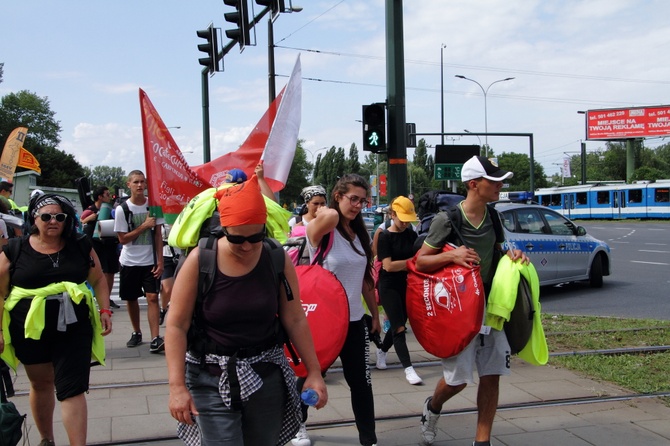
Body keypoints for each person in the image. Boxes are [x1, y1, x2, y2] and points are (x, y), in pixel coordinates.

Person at [165, 175, 327, 446]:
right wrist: (176, 386)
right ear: (222, 228)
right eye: (237, 238)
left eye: (256, 236)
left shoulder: (275, 257)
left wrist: (314, 372)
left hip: (266, 373)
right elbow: (176, 325)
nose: (248, 246)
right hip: (210, 377)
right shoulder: (201, 260)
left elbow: (295, 318)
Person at [415, 156, 529, 446]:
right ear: (473, 184)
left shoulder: (494, 216)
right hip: (458, 310)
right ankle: (433, 407)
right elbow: (420, 262)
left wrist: (511, 255)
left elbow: (498, 251)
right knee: (458, 380)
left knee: (492, 375)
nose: (500, 185)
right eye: (494, 181)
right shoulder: (447, 219)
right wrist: (452, 255)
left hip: (491, 307)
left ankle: (482, 441)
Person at [0, 193, 113, 446]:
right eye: (46, 216)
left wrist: (105, 310)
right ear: (34, 218)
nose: (53, 221)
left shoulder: (81, 245)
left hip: (74, 326)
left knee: (72, 388)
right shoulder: (16, 249)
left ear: (67, 220)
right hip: (29, 329)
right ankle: (46, 439)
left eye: (59, 217)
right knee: (41, 383)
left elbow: (98, 280)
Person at [297, 173, 379, 446]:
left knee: (362, 385)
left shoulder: (359, 236)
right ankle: (298, 425)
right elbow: (328, 218)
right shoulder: (325, 229)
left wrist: (376, 315)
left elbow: (365, 278)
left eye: (362, 201)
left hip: (354, 322)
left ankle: (369, 439)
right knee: (308, 377)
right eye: (352, 199)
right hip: (323, 323)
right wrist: (329, 209)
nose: (358, 206)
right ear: (337, 196)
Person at [114, 170, 165, 353]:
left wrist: (160, 260)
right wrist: (143, 226)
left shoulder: (153, 206)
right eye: (136, 182)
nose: (140, 185)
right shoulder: (123, 209)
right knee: (131, 298)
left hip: (149, 261)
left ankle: (155, 337)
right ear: (129, 184)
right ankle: (136, 331)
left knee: (152, 297)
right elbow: (122, 239)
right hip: (129, 261)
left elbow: (158, 235)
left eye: (143, 182)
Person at [374, 196, 422, 385]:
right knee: (400, 327)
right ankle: (409, 369)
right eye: (402, 219)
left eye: (407, 220)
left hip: (407, 283)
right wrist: (411, 263)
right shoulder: (385, 236)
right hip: (389, 286)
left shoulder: (411, 234)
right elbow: (388, 266)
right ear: (392, 215)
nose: (404, 224)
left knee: (399, 323)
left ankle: (382, 351)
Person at [80, 186, 121, 309]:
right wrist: (90, 218)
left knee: (111, 272)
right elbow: (81, 221)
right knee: (99, 272)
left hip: (109, 244)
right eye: (107, 194)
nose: (110, 196)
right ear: (100, 197)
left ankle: (107, 299)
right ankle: (98, 299)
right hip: (96, 245)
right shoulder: (90, 210)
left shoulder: (111, 210)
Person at [159, 224, 179, 325]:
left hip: (181, 252)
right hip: (165, 254)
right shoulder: (160, 216)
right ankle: (163, 309)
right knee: (167, 288)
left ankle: (174, 315)